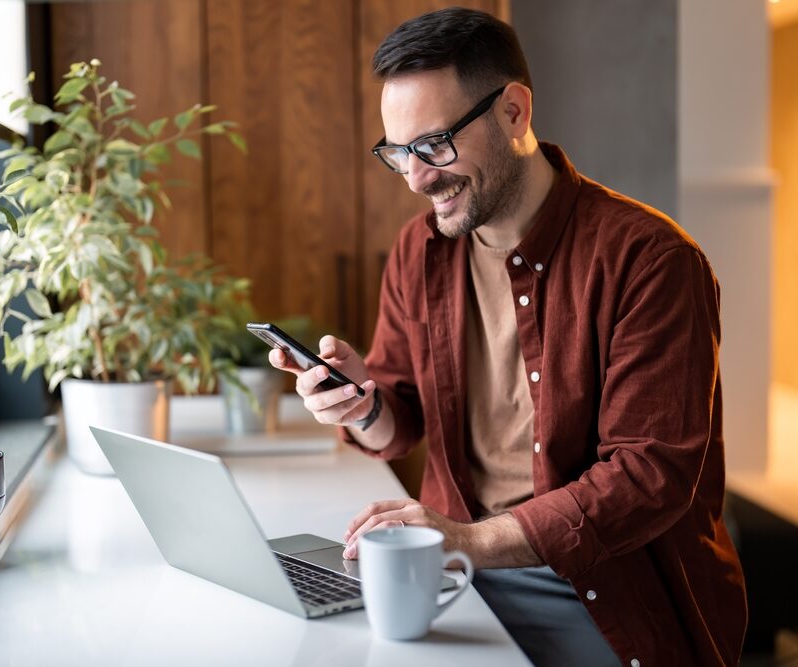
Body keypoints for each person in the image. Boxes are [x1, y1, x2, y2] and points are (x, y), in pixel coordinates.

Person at [268, 7, 747, 667]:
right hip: (458, 570)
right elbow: (401, 423)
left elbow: (648, 477)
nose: (416, 178)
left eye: (434, 145)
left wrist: (462, 541)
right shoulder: (420, 250)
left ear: (514, 112)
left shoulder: (651, 260)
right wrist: (364, 404)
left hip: (602, 596)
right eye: (397, 153)